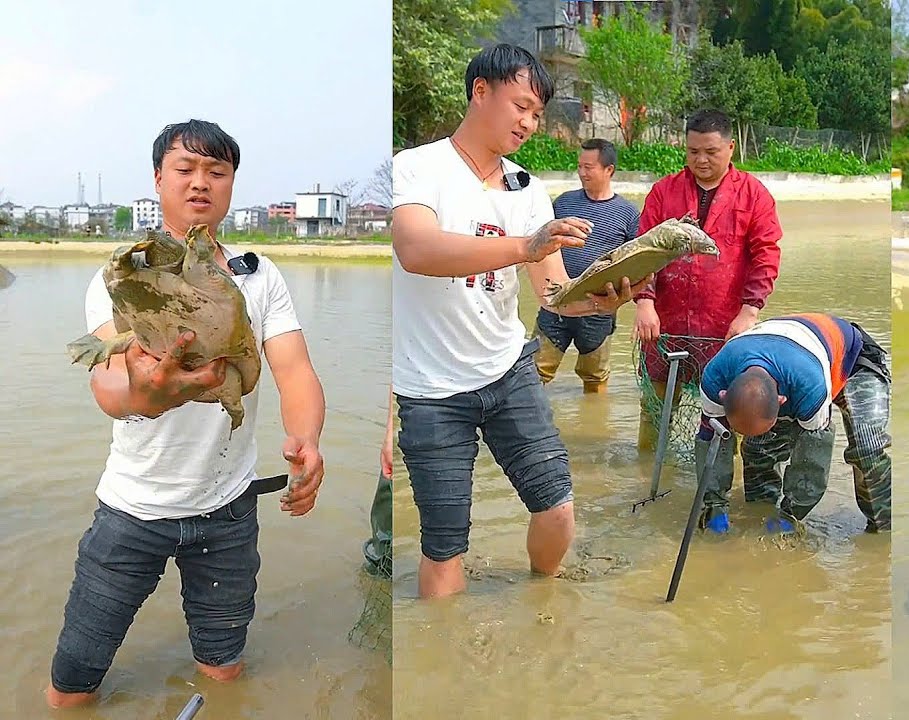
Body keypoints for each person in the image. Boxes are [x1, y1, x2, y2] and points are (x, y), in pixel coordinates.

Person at [46, 119, 327, 708]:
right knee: (72, 686)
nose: (201, 183)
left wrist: (306, 441)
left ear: (230, 185)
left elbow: (294, 370)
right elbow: (111, 388)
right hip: (132, 511)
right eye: (185, 169)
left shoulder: (255, 274)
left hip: (228, 512)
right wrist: (153, 391)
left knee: (222, 674)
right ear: (158, 180)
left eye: (216, 172)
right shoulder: (126, 276)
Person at [389, 44, 651, 600]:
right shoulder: (417, 168)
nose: (530, 123)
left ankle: (542, 603)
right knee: (444, 547)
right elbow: (417, 249)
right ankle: (447, 656)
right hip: (430, 391)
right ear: (481, 92)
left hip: (510, 372)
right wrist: (525, 246)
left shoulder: (527, 188)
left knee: (558, 511)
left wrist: (594, 301)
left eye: (537, 113)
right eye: (522, 107)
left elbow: (552, 291)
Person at [632, 108, 783, 451]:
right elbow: (643, 250)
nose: (700, 160)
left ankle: (719, 486)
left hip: (724, 327)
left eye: (710, 152)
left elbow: (766, 255)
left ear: (731, 148)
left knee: (722, 418)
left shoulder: (754, 194)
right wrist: (644, 302)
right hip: (665, 326)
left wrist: (749, 312)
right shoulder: (663, 191)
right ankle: (648, 477)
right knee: (654, 415)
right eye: (693, 151)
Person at [695, 313, 891, 534]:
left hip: (853, 362)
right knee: (758, 451)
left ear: (781, 401)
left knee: (867, 449)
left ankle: (883, 531)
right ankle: (759, 513)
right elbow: (710, 442)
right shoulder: (714, 378)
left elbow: (813, 463)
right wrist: (713, 505)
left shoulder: (809, 388)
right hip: (795, 356)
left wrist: (791, 515)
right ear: (723, 395)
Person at [533, 138, 640, 392]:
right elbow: (539, 245)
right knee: (535, 372)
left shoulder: (628, 213)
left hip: (598, 308)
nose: (581, 172)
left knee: (595, 377)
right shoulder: (563, 203)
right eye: (579, 166)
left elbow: (636, 262)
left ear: (609, 170)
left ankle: (595, 422)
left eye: (588, 167)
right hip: (556, 301)